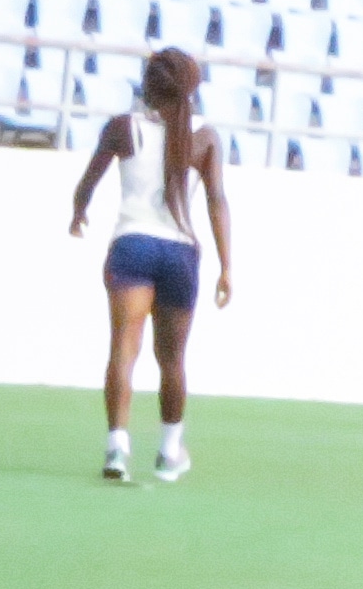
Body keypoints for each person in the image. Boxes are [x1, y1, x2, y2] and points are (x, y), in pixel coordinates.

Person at [65, 45, 237, 484]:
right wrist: (226, 266)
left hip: (132, 244)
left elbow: (88, 182)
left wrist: (79, 212)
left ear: (148, 87)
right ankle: (168, 451)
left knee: (124, 349)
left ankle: (117, 448)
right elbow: (217, 202)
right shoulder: (205, 137)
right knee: (172, 358)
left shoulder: (123, 129)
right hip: (180, 253)